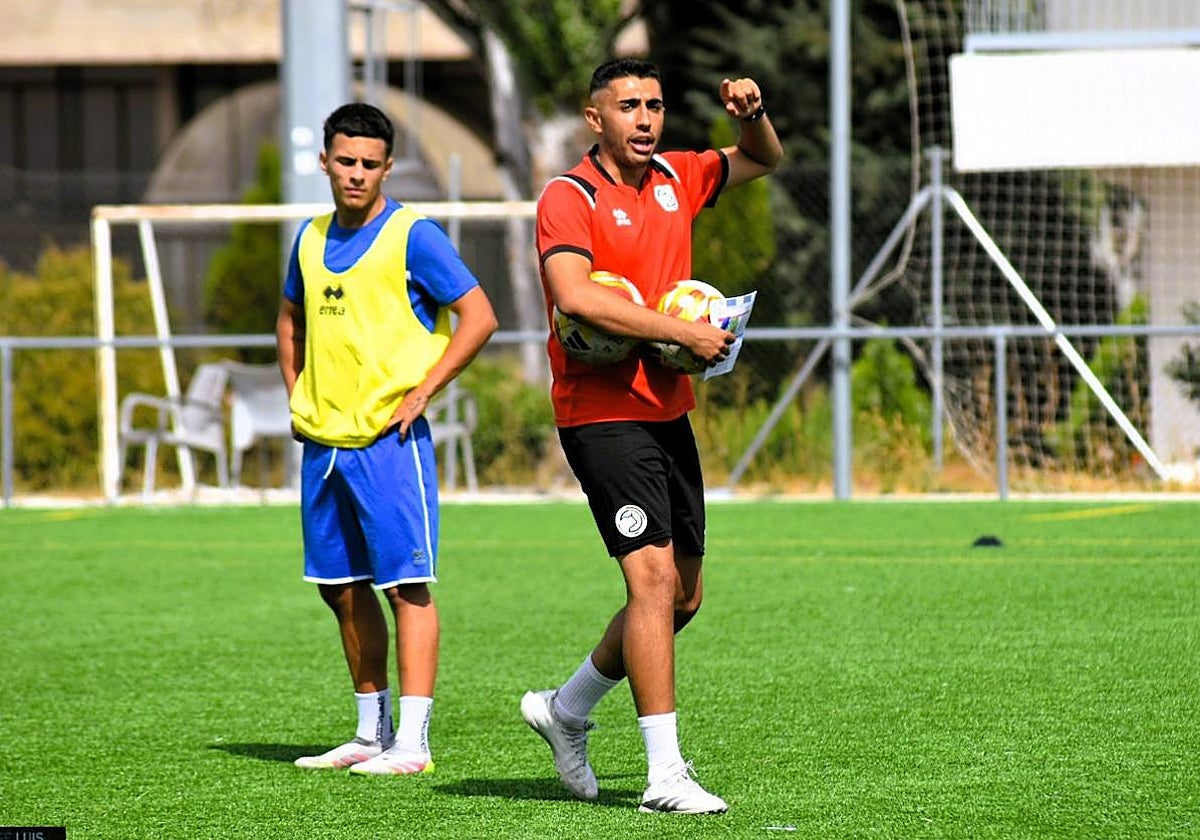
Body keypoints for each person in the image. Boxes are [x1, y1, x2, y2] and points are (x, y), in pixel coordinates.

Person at [520, 59, 783, 814]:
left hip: (667, 411)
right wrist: (681, 331)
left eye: (656, 105)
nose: (645, 119)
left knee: (684, 598)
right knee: (652, 584)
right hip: (600, 415)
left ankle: (565, 709)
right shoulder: (570, 197)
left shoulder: (678, 176)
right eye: (628, 105)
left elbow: (763, 158)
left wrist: (748, 115)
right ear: (594, 117)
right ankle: (665, 775)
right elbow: (572, 294)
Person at [277, 102, 498, 776]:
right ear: (325, 161)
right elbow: (290, 318)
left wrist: (425, 389)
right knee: (340, 587)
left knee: (407, 587)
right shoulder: (309, 239)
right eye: (345, 161)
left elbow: (479, 317)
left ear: (387, 167)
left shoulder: (413, 234)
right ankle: (371, 733)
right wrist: (296, 389)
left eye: (370, 164)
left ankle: (414, 744)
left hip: (388, 445)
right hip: (324, 447)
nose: (356, 174)